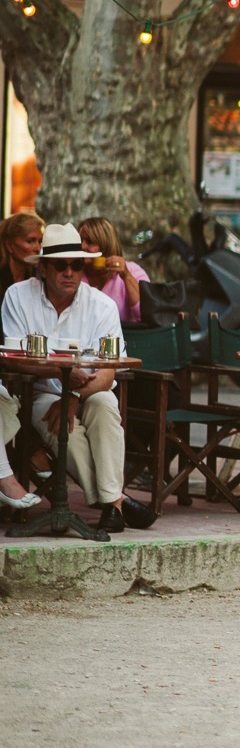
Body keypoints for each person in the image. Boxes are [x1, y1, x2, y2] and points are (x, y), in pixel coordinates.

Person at [1, 224, 135, 533]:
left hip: (87, 391)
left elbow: (108, 371)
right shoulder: (18, 297)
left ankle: (111, 502)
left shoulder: (101, 305)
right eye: (61, 265)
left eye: (77, 265)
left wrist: (72, 397)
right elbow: (15, 360)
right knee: (69, 434)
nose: (70, 272)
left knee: (105, 406)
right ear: (43, 268)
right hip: (39, 392)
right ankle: (115, 502)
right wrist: (59, 379)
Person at [77, 216, 149, 324]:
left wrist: (126, 276)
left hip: (123, 338)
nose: (82, 246)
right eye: (80, 241)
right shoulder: (74, 272)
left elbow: (144, 315)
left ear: (105, 244)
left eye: (89, 241)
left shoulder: (132, 271)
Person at [0, 211, 44, 300]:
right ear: (9, 245)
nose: (38, 248)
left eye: (40, 241)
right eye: (30, 241)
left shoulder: (39, 277)